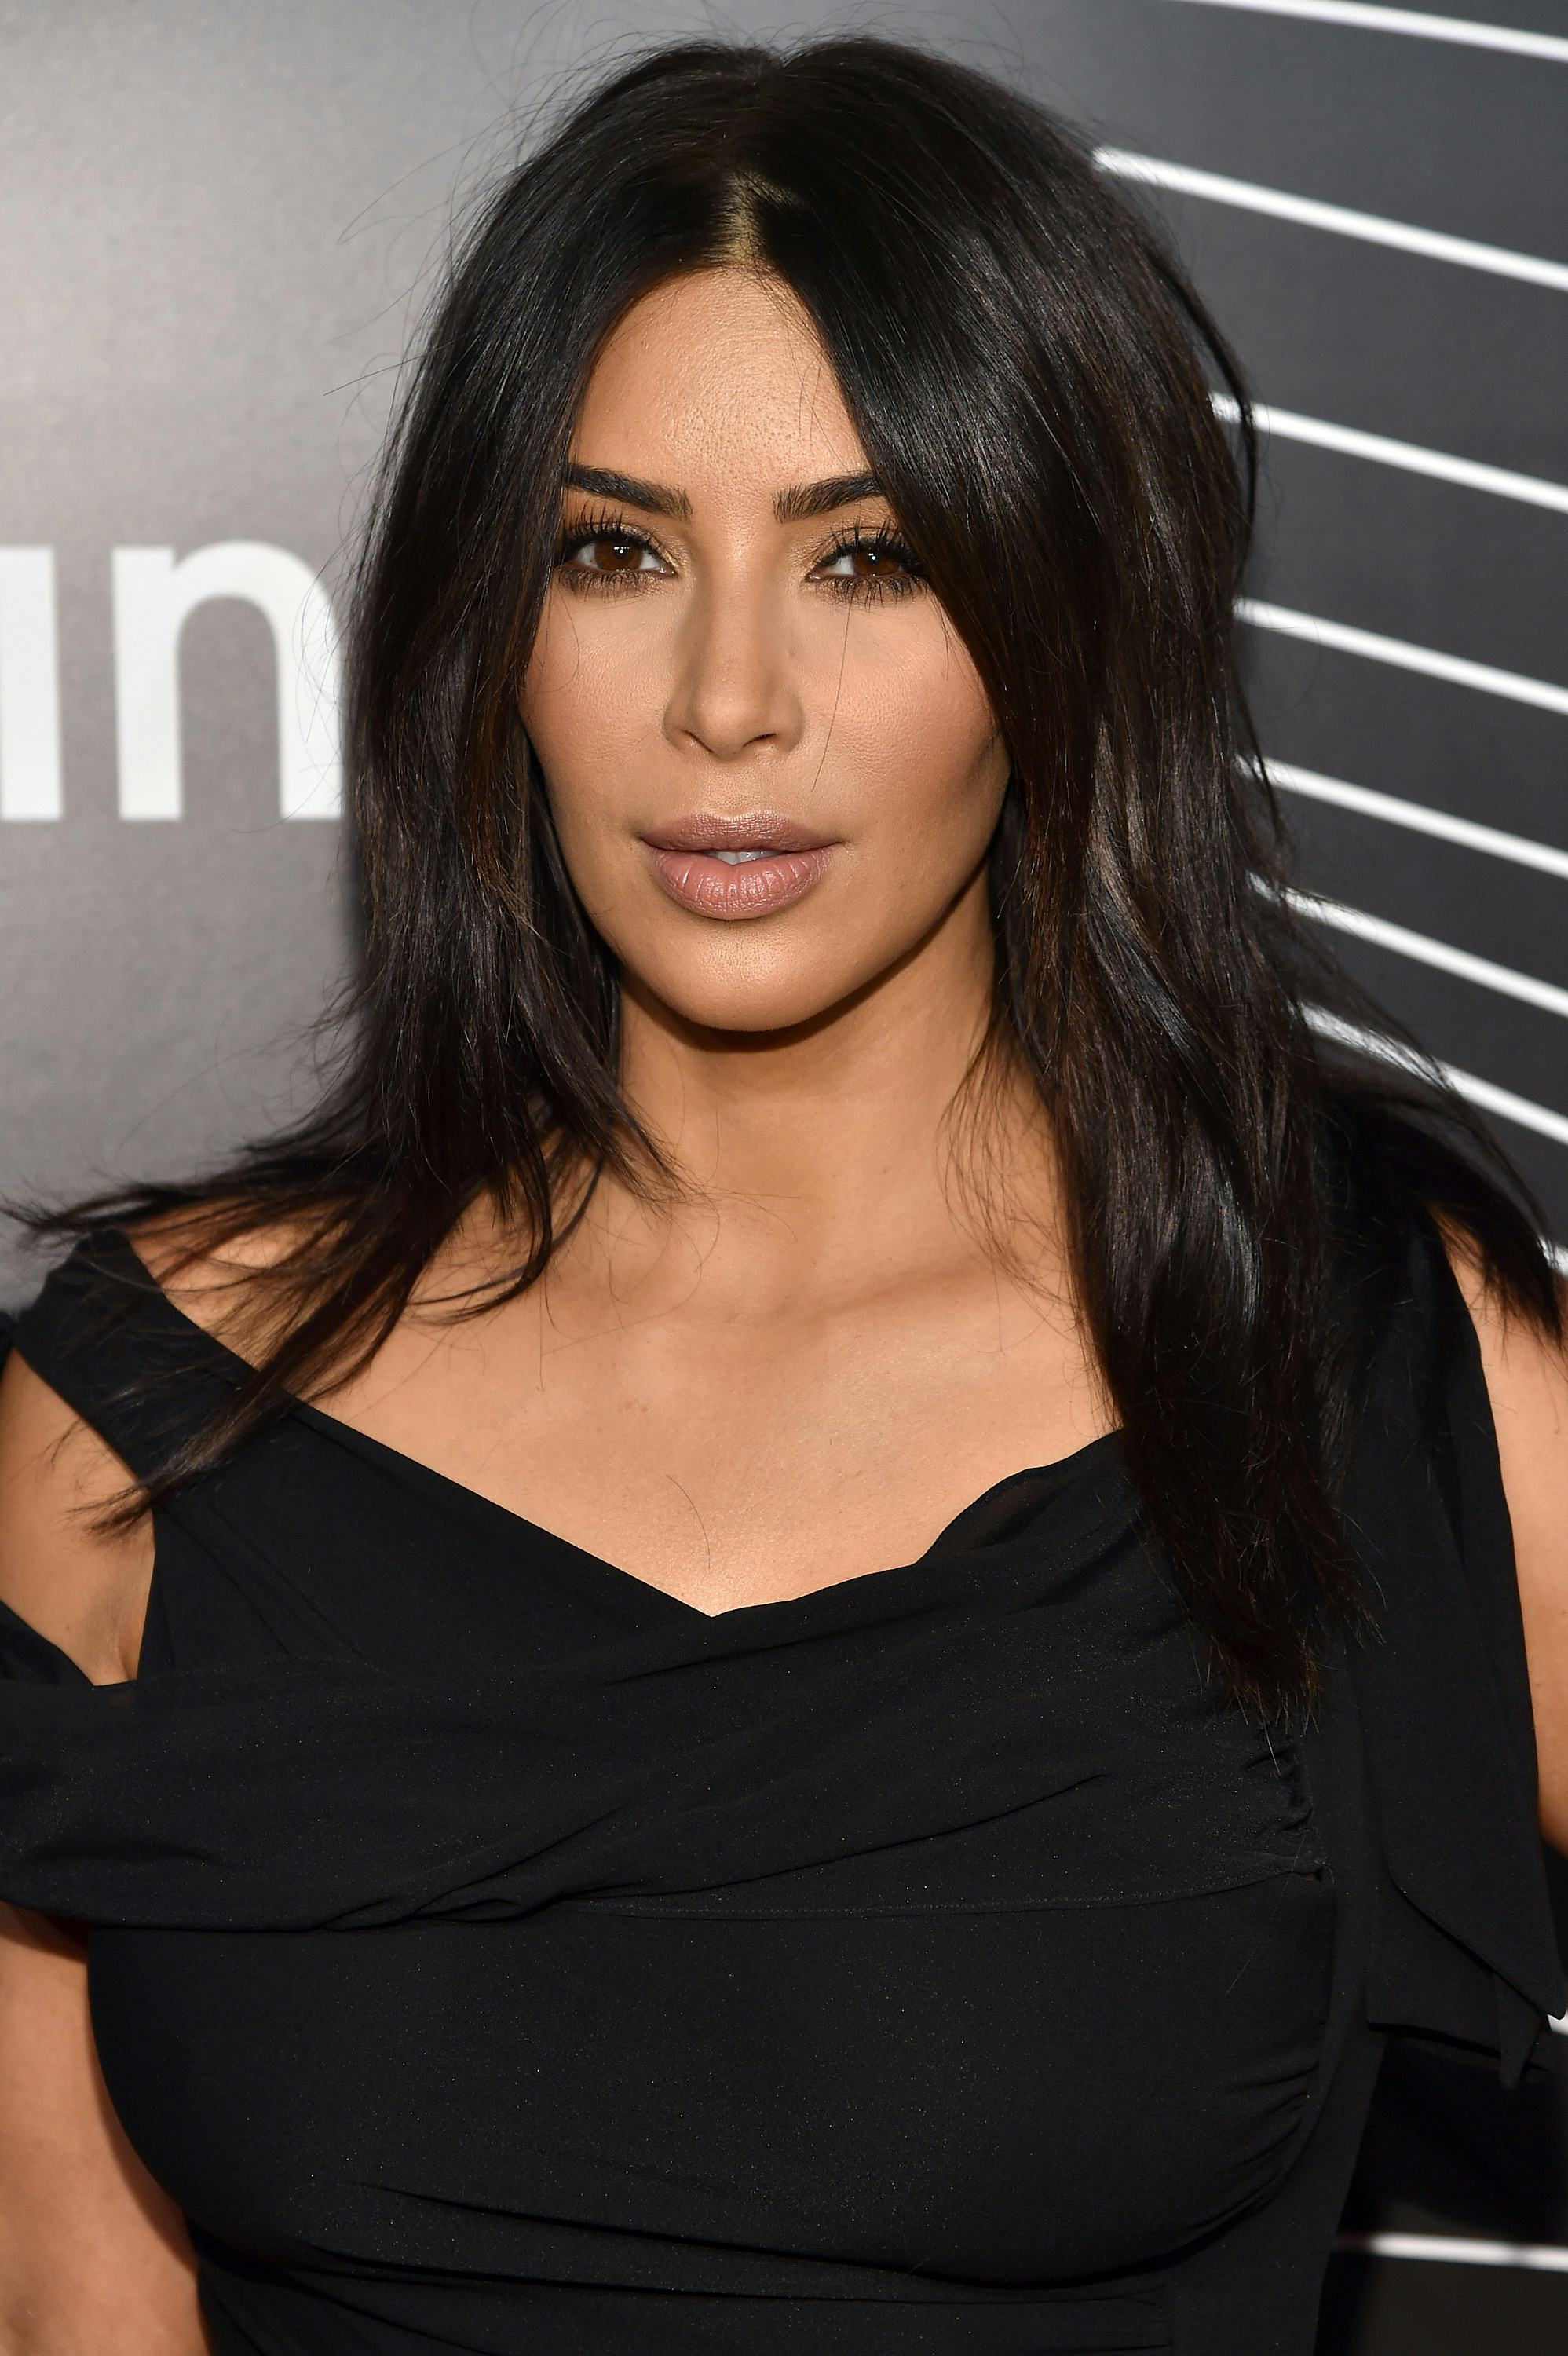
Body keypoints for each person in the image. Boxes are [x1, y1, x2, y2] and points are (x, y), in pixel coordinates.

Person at [0, 31, 1563, 2356]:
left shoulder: (1348, 1356)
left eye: (872, 556)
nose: (729, 698)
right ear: (488, 629)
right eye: (615, 551)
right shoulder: (140, 1422)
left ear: (1063, 618)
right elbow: (77, 2306)